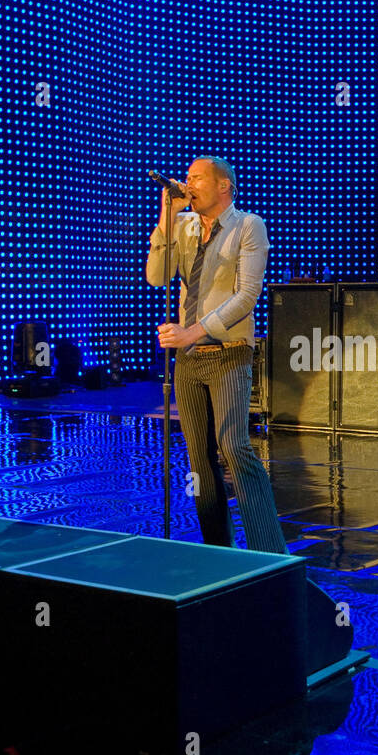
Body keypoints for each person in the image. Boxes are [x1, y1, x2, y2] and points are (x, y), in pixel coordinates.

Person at [145, 157, 287, 554]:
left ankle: (269, 552)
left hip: (228, 352)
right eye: (186, 178)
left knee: (233, 445)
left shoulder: (248, 225)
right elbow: (156, 276)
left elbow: (246, 296)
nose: (188, 184)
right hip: (189, 359)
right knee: (199, 458)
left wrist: (191, 330)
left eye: (197, 178)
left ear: (223, 186)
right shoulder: (183, 226)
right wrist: (166, 216)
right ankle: (217, 551)